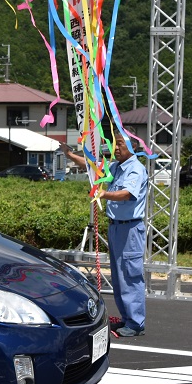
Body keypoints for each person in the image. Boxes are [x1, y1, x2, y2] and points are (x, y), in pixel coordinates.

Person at [63, 135, 148, 337]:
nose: (116, 148)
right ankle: (127, 319)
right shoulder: (117, 166)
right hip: (116, 227)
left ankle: (136, 323)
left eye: (120, 144)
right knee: (119, 276)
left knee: (130, 274)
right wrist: (69, 154)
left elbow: (127, 193)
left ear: (133, 146)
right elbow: (92, 166)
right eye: (115, 144)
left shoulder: (135, 168)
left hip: (130, 229)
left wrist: (103, 194)